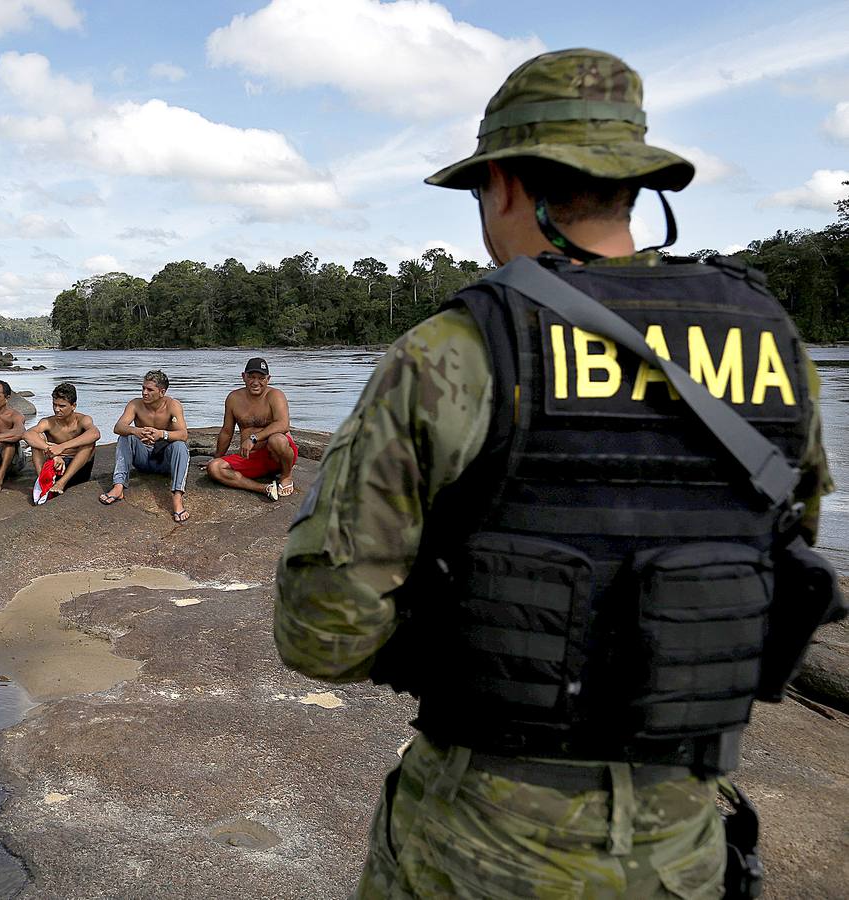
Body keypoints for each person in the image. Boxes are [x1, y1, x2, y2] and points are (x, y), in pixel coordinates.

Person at [275, 49, 835, 899]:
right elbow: (780, 562)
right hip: (681, 845)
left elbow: (322, 632)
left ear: (501, 182)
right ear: (632, 187)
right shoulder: (774, 343)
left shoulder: (454, 351)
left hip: (473, 846)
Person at [99, 369, 191, 522]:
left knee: (180, 446)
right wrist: (137, 431)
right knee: (124, 437)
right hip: (143, 458)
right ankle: (119, 486)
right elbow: (118, 427)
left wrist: (162, 434)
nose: (144, 393)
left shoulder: (173, 405)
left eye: (149, 390)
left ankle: (177, 497)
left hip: (164, 460)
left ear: (162, 392)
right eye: (143, 388)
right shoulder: (135, 404)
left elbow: (183, 434)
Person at [206, 357, 297, 501]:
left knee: (277, 439)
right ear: (243, 377)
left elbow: (283, 424)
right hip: (252, 458)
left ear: (268, 379)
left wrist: (253, 438)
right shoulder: (234, 398)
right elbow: (227, 431)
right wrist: (217, 456)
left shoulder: (275, 395)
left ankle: (286, 476)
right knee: (214, 468)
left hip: (277, 456)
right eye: (251, 377)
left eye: (261, 378)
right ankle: (264, 488)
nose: (256, 382)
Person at [24, 382, 101, 498]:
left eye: (62, 406)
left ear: (73, 406)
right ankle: (43, 482)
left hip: (77, 470)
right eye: (54, 405)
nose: (56, 409)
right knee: (37, 437)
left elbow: (95, 433)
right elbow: (27, 434)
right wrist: (51, 452)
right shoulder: (48, 422)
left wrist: (61, 447)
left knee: (89, 442)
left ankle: (61, 483)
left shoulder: (83, 420)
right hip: (55, 466)